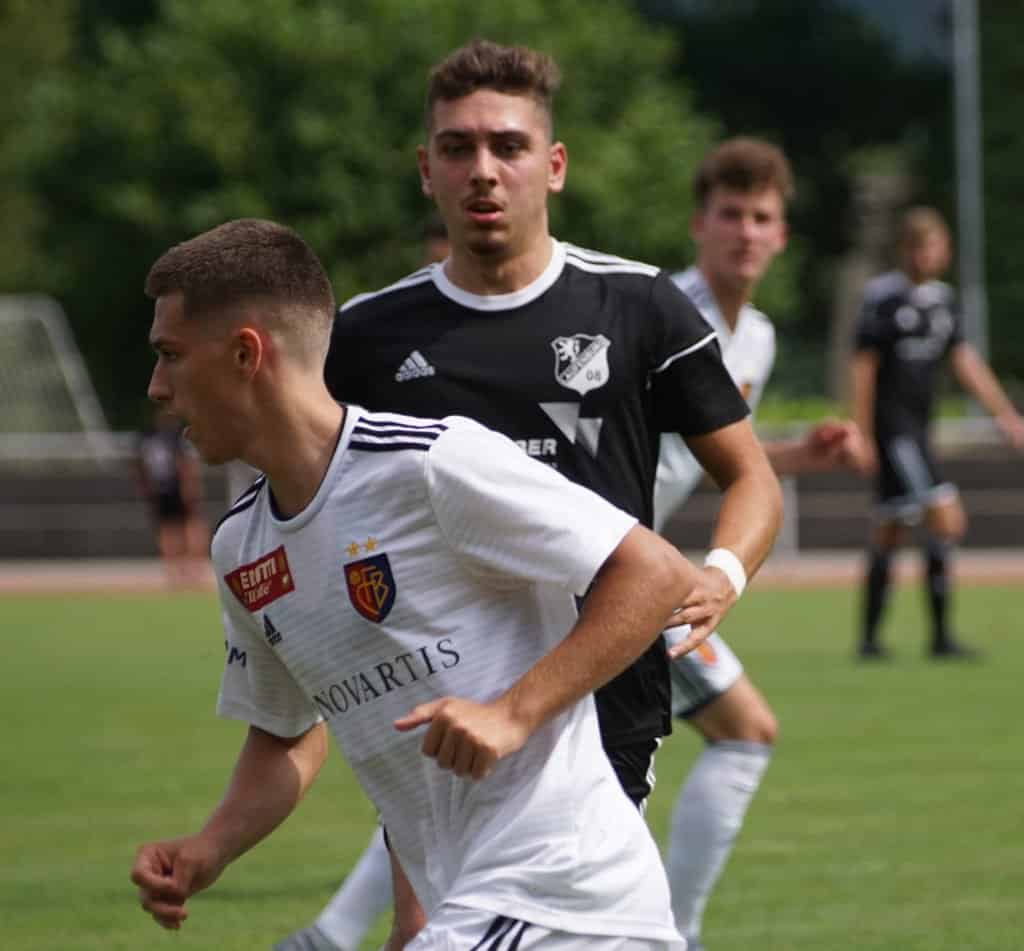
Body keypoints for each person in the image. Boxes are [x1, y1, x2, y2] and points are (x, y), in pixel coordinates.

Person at [277, 39, 782, 951]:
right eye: (458, 148)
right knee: (423, 927)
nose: (483, 170)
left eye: (508, 147)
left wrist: (724, 571)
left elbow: (751, 476)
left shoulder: (638, 308)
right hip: (438, 703)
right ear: (425, 170)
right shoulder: (364, 338)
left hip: (603, 696)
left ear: (552, 167)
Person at [130, 217, 715, 949]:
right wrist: (210, 846)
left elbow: (654, 572)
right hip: (475, 904)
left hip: (562, 896)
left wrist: (512, 712)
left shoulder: (432, 463)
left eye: (170, 355)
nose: (157, 387)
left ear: (246, 352)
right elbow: (284, 733)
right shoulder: (240, 549)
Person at [653, 137, 869, 950]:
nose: (746, 231)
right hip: (605, 565)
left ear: (782, 236)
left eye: (762, 218)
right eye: (730, 215)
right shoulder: (661, 316)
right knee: (740, 733)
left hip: (640, 571)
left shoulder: (760, 339)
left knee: (502, 769)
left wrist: (797, 459)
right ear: (698, 225)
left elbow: (706, 465)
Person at [850, 205, 1024, 660]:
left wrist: (1004, 414)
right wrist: (862, 432)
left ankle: (875, 641)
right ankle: (940, 638)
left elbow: (964, 360)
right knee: (946, 518)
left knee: (891, 529)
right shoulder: (883, 297)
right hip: (893, 432)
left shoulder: (943, 301)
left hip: (919, 431)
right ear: (905, 249)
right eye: (923, 246)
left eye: (938, 247)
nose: (931, 255)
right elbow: (863, 367)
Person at [135, 404, 210, 587]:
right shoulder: (175, 436)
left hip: (159, 489)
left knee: (167, 528)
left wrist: (145, 488)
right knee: (191, 524)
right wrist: (190, 487)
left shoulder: (147, 437)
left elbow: (139, 465)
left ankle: (173, 571)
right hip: (177, 486)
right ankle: (194, 569)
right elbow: (183, 463)